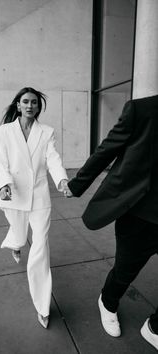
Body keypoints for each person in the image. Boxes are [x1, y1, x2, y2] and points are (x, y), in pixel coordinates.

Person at [66, 94, 158, 350]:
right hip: (140, 214)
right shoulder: (143, 109)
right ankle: (107, 302)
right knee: (125, 270)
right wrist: (77, 184)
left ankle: (154, 328)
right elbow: (107, 149)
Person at [0, 87, 68, 329]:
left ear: (38, 107)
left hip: (39, 197)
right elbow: (1, 163)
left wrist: (62, 180)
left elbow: (53, 159)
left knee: (40, 247)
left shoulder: (47, 132)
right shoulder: (4, 131)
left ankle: (42, 305)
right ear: (18, 105)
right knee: (18, 231)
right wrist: (4, 184)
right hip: (13, 193)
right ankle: (15, 242)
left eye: (34, 102)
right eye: (25, 101)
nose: (30, 106)